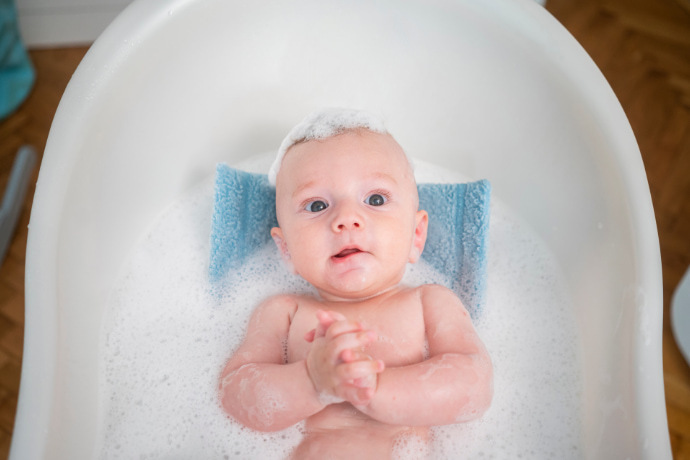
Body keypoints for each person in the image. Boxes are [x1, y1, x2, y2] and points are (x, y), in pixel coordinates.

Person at [218, 109, 493, 459]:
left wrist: (374, 389)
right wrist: (310, 382)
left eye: (375, 200)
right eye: (317, 205)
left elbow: (474, 383)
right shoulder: (284, 312)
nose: (346, 218)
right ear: (286, 249)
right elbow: (235, 395)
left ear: (416, 235)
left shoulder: (428, 302)